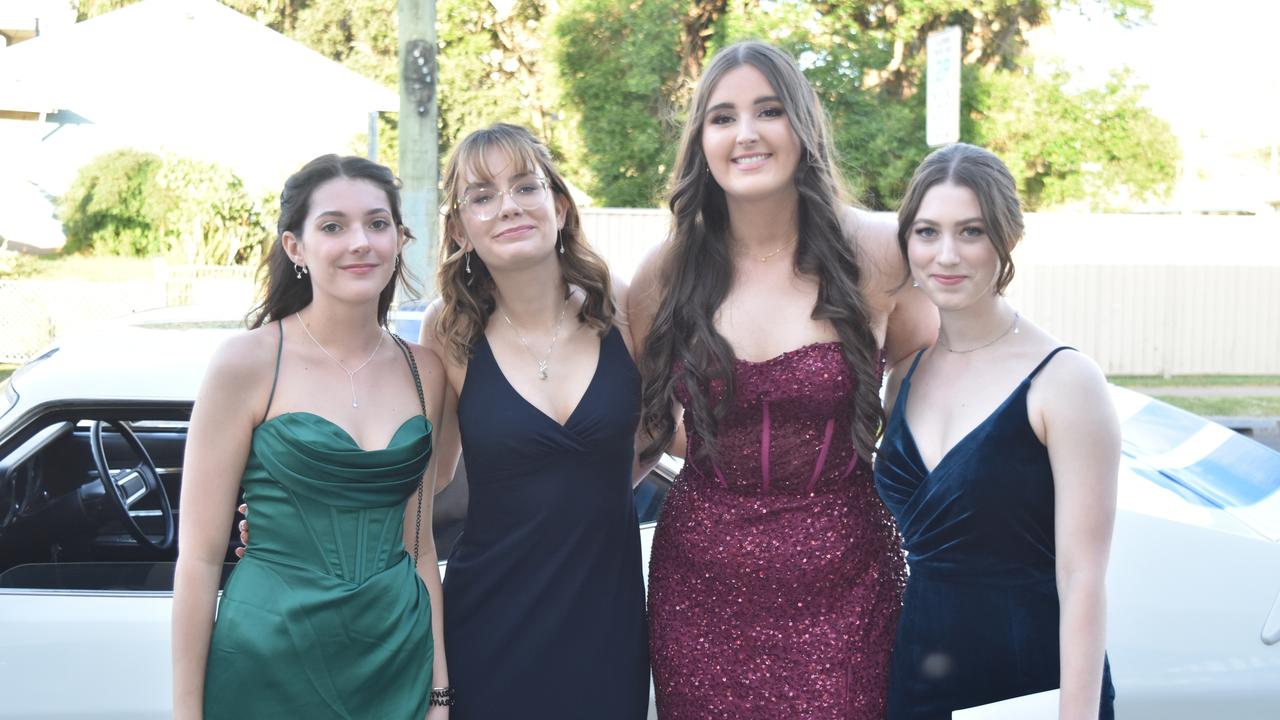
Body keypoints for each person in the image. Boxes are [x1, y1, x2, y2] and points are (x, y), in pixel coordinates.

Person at [629, 41, 937, 718]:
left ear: (801, 125)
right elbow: (647, 431)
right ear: (700, 141)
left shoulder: (881, 256)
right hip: (699, 592)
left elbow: (941, 384)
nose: (746, 134)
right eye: (722, 117)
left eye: (767, 111)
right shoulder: (664, 276)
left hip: (848, 586)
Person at [171, 155, 450, 719]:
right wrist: (186, 712)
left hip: (395, 657)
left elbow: (419, 548)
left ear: (400, 238)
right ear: (295, 247)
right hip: (267, 657)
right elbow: (199, 559)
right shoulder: (246, 363)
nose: (360, 242)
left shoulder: (427, 371)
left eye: (377, 223)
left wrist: (439, 692)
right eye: (333, 226)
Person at [874, 143, 1117, 719]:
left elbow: (1082, 577)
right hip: (918, 680)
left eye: (972, 231)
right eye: (928, 232)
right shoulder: (904, 374)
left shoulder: (1065, 380)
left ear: (1007, 239)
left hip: (1031, 683)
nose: (947, 254)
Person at [420, 123, 649, 719]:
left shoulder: (622, 306)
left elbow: (671, 433)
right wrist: (302, 519)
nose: (509, 207)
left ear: (561, 206)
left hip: (609, 634)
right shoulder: (447, 333)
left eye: (526, 186)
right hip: (488, 632)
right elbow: (423, 489)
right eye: (482, 196)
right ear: (458, 229)